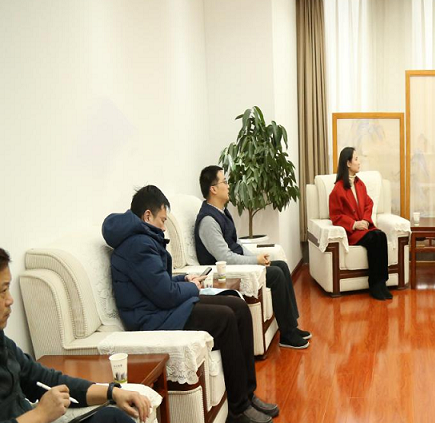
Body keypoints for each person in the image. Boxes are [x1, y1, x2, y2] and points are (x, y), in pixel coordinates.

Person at [103, 186, 279, 423]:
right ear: (147, 216)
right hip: (153, 319)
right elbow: (164, 294)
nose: (164, 227)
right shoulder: (137, 245)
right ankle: (239, 409)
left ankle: (247, 395)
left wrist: (184, 279)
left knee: (237, 306)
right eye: (162, 220)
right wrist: (192, 288)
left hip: (161, 308)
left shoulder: (140, 239)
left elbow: (158, 283)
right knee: (226, 318)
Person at [0, 247, 151, 423]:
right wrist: (39, 415)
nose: (10, 300)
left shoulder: (4, 344)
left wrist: (113, 392)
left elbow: (45, 379)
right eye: (2, 291)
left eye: (7, 289)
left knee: (111, 418)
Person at [195, 165, 310, 350]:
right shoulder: (208, 221)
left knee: (281, 265)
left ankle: (291, 327)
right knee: (276, 274)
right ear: (213, 189)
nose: (229, 185)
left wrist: (256, 257)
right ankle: (287, 335)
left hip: (236, 263)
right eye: (225, 182)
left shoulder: (221, 212)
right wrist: (255, 261)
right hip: (223, 273)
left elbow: (236, 245)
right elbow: (225, 257)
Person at [329, 147, 392, 301]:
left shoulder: (360, 184)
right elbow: (335, 216)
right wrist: (354, 224)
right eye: (356, 159)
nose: (359, 162)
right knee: (374, 239)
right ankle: (374, 285)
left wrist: (365, 220)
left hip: (364, 227)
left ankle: (382, 283)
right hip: (353, 232)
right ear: (348, 163)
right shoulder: (338, 189)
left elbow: (369, 204)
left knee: (381, 236)